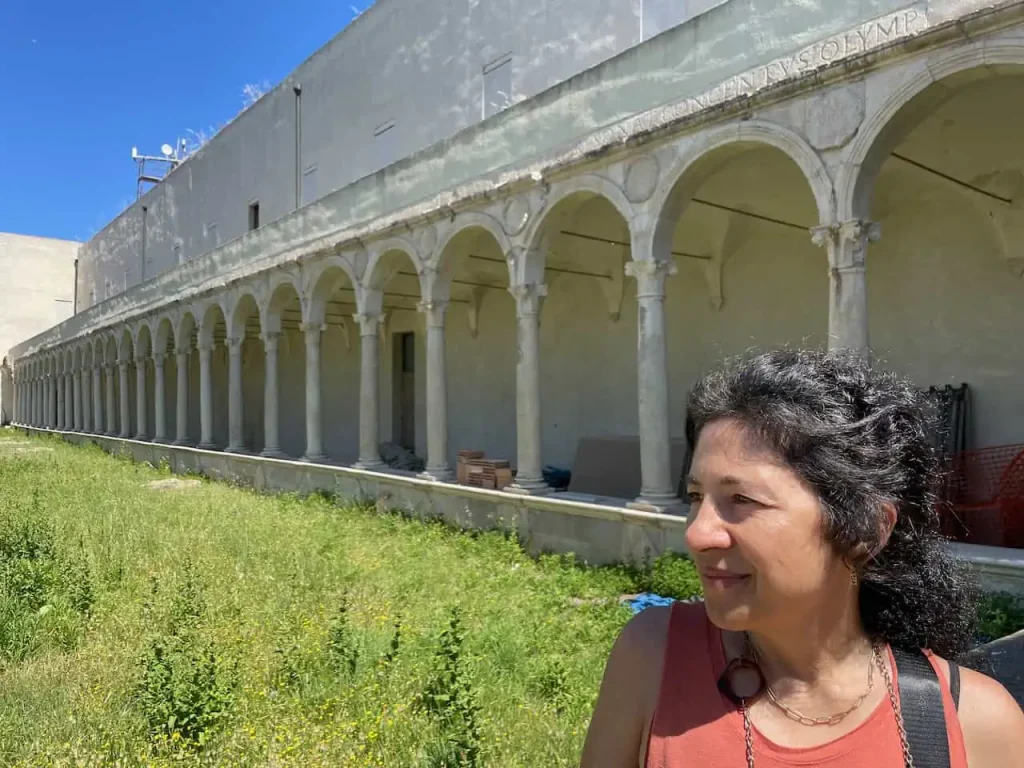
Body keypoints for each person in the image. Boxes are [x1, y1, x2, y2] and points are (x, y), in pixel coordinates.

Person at [581, 350, 1024, 768]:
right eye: (696, 497)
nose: (697, 534)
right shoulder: (654, 656)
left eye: (742, 499)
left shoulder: (974, 723)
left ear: (867, 529)